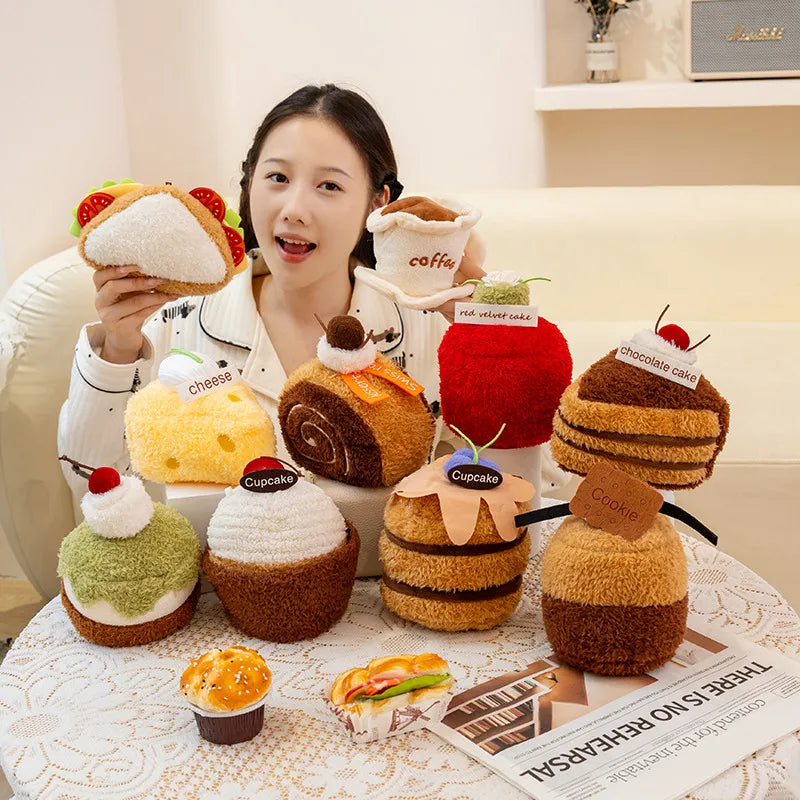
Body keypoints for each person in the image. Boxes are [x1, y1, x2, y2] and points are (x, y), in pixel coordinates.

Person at [57, 83, 486, 562]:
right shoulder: (175, 320)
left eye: (329, 185)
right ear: (249, 182)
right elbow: (89, 487)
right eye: (277, 177)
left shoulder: (427, 326)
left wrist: (490, 340)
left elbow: (509, 484)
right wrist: (117, 349)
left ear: (377, 204)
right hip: (218, 610)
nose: (294, 210)